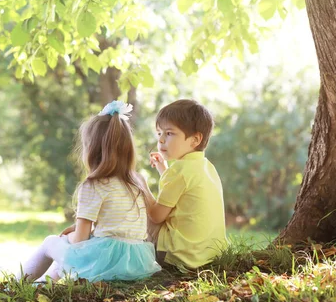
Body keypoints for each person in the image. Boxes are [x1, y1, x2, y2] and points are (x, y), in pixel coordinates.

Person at [17, 100, 161, 282]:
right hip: (137, 263)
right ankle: (42, 286)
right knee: (67, 258)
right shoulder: (137, 179)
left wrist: (70, 236)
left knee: (51, 242)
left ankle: (13, 286)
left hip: (106, 263)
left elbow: (80, 240)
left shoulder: (94, 184)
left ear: (91, 150)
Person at [146, 99, 226, 269]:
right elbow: (181, 192)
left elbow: (156, 216)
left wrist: (140, 188)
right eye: (159, 133)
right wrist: (163, 169)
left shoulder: (179, 171)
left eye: (169, 133)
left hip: (179, 255)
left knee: (139, 210)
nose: (160, 140)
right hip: (208, 253)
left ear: (195, 139)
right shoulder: (206, 167)